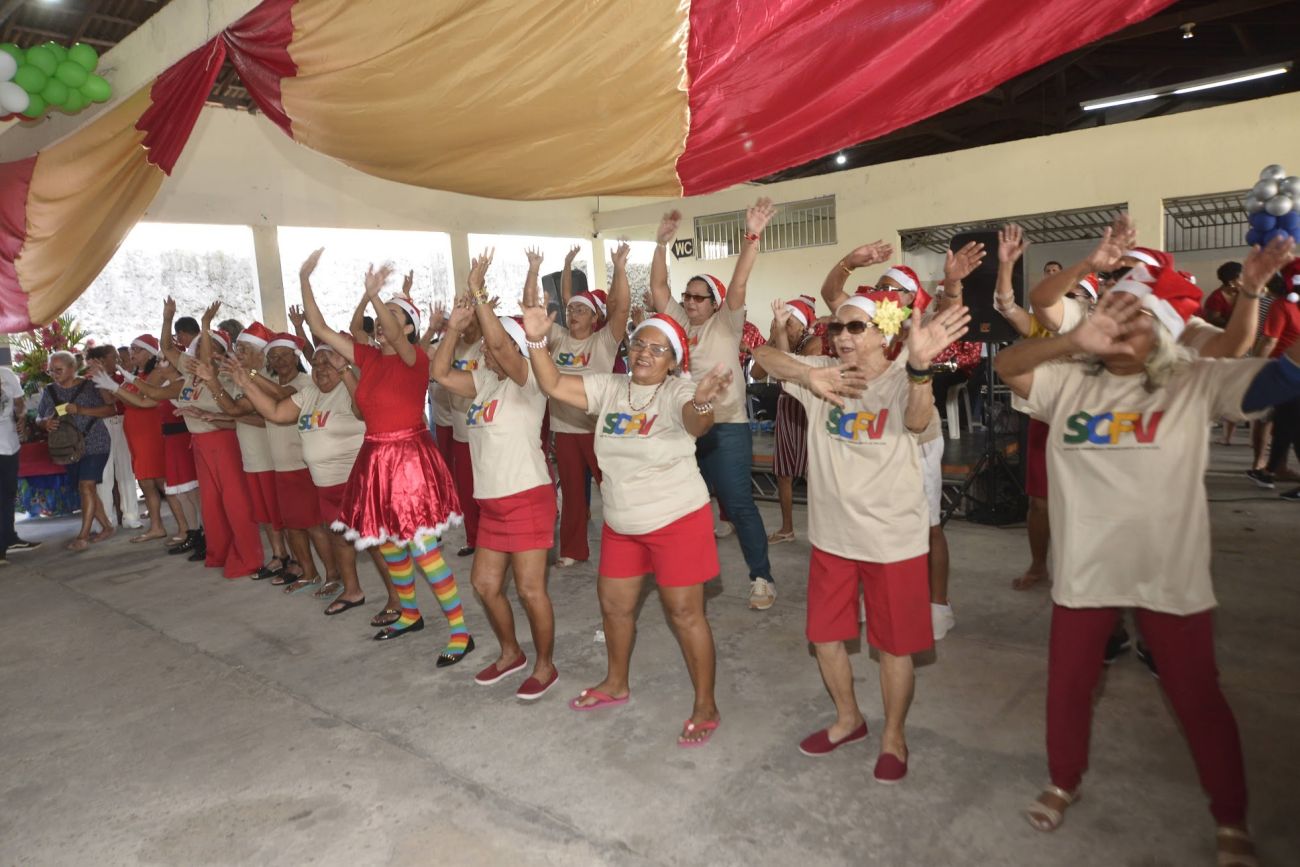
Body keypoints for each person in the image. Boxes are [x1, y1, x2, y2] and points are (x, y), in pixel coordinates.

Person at [995, 237, 1296, 867]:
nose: (1116, 323)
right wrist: (1074, 340)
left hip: (1168, 572)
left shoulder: (1191, 382)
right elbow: (1009, 365)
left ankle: (1230, 817)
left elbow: (1278, 377)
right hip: (1086, 570)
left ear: (1161, 332)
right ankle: (1062, 781)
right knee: (1068, 686)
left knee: (1197, 696)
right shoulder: (1068, 383)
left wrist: (1258, 294)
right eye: (1111, 311)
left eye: (1133, 316)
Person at [753, 291, 969, 781]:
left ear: (882, 333)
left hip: (892, 541)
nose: (842, 336)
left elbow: (917, 420)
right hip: (831, 538)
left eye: (855, 327)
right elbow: (763, 357)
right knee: (825, 637)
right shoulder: (823, 372)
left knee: (893, 646)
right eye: (836, 327)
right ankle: (848, 719)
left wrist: (920, 371)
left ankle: (894, 736)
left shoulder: (901, 379)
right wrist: (807, 375)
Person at [525, 300, 733, 743]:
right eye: (639, 344)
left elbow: (697, 423)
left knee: (685, 614)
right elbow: (553, 383)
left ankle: (706, 704)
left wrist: (701, 403)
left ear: (674, 360)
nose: (644, 353)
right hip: (622, 522)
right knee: (614, 608)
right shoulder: (610, 386)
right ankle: (616, 682)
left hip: (676, 519)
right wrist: (537, 341)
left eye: (658, 349)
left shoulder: (678, 391)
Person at [299, 249, 473, 666]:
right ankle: (410, 614)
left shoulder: (416, 359)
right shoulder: (368, 357)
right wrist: (305, 280)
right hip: (375, 459)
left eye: (393, 316)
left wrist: (375, 295)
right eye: (381, 317)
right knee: (390, 545)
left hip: (409, 461)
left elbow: (395, 335)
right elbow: (320, 328)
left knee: (424, 550)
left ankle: (460, 632)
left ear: (410, 327)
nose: (381, 323)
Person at [819, 240, 985, 640]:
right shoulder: (865, 321)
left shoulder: (918, 326)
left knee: (927, 524)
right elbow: (831, 293)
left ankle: (938, 604)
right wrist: (848, 262)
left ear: (910, 298)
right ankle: (873, 592)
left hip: (915, 435)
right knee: (870, 519)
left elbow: (950, 313)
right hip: (873, 434)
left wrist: (952, 283)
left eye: (890, 288)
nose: (880, 292)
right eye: (878, 285)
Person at [432, 250, 560, 698]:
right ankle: (511, 653)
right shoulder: (484, 383)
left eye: (493, 344)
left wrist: (479, 291)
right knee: (485, 585)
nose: (487, 350)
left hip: (526, 497)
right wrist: (454, 326)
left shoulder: (530, 380)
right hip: (492, 503)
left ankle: (545, 664)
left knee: (529, 590)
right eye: (485, 346)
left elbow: (505, 348)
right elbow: (439, 372)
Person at [650, 199, 779, 611]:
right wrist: (660, 245)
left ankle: (762, 578)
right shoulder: (678, 324)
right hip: (684, 427)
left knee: (738, 505)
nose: (690, 302)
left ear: (714, 303)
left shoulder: (726, 323)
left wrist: (752, 235)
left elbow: (738, 285)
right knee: (685, 505)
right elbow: (658, 289)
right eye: (687, 296)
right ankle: (691, 574)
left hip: (726, 428)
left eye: (698, 298)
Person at [228, 338, 402, 619]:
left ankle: (398, 599)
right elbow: (275, 412)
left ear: (342, 364)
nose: (321, 368)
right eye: (317, 362)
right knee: (339, 539)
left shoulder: (351, 390)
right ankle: (352, 591)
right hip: (325, 485)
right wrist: (246, 383)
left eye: (328, 362)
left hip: (355, 482)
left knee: (373, 543)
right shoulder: (309, 393)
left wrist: (347, 372)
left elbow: (365, 410)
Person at [160, 300, 264, 579]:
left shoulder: (228, 378)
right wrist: (167, 318)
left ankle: (247, 557)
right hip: (200, 445)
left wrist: (205, 326)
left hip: (224, 442)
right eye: (201, 348)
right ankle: (219, 551)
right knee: (211, 503)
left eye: (213, 349)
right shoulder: (191, 373)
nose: (204, 354)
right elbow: (167, 348)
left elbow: (209, 363)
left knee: (235, 501)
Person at [547, 242, 631, 567]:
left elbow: (620, 310)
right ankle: (573, 550)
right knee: (572, 493)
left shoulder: (603, 341)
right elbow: (563, 299)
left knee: (612, 490)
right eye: (571, 311)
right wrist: (566, 264)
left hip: (599, 429)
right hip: (565, 429)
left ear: (595, 317)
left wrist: (619, 268)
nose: (573, 314)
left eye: (581, 311)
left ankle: (629, 546)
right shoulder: (558, 338)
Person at [203, 321, 293, 580]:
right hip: (252, 456)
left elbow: (238, 411)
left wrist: (213, 383)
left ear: (260, 354)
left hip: (269, 456)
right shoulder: (242, 376)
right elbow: (236, 415)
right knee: (264, 513)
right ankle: (279, 555)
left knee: (279, 514)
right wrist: (216, 416)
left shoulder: (265, 380)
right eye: (238, 348)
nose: (237, 353)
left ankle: (295, 559)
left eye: (244, 349)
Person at [750, 295, 823, 544]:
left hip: (809, 410)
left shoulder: (814, 344)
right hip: (787, 409)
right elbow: (756, 372)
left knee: (815, 472)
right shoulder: (779, 339)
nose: (783, 327)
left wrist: (779, 338)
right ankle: (787, 528)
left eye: (788, 323)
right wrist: (774, 337)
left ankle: (822, 529)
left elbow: (789, 369)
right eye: (779, 322)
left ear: (803, 326)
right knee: (783, 472)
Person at [87, 335, 171, 543]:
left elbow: (140, 401)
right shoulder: (135, 374)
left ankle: (187, 526)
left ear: (150, 353)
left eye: (137, 349)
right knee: (147, 482)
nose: (132, 353)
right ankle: (157, 526)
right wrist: (106, 380)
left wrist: (114, 386)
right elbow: (117, 399)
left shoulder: (155, 372)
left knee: (159, 481)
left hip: (148, 432)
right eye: (132, 349)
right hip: (135, 433)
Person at [34, 351, 116, 551]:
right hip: (68, 446)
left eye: (59, 370)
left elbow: (111, 409)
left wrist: (80, 410)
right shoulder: (50, 391)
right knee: (85, 488)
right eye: (51, 371)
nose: (54, 374)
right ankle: (107, 527)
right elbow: (38, 417)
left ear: (73, 368)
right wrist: (45, 423)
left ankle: (83, 536)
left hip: (95, 442)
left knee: (86, 485)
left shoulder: (91, 386)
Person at [1253, 264, 1300, 499]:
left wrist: (1254, 368)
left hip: (1286, 373)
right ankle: (1270, 471)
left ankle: (1269, 470)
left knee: (1293, 426)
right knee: (1284, 423)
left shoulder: (1283, 305)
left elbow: (1270, 340)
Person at [85, 345, 142, 530]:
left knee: (126, 471)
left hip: (122, 422)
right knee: (105, 474)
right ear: (101, 360)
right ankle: (106, 520)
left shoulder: (120, 378)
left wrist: (112, 383)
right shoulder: (89, 381)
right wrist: (101, 377)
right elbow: (108, 400)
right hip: (103, 425)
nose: (117, 360)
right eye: (113, 356)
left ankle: (131, 515)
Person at [1, 363, 39, 564]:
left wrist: (21, 416)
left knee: (8, 495)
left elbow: (19, 403)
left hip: (9, 444)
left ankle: (9, 537)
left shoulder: (6, 374)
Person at [1201, 262, 1243, 329]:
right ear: (1231, 283)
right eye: (1242, 280)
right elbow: (1214, 321)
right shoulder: (1215, 298)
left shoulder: (1242, 294)